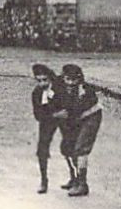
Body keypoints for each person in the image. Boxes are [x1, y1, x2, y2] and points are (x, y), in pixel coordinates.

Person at [57, 63, 102, 197]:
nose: (71, 83)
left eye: (74, 80)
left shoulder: (85, 91)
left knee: (80, 148)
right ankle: (74, 178)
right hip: (74, 117)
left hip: (90, 117)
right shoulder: (58, 87)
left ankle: (83, 184)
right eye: (67, 79)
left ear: (79, 79)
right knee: (66, 147)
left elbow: (75, 111)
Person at [30, 64, 67, 193]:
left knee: (69, 146)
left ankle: (75, 178)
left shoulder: (60, 87)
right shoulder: (37, 93)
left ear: (50, 78)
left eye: (45, 80)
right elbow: (38, 115)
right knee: (42, 148)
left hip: (65, 119)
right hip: (49, 119)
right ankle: (44, 180)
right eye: (39, 80)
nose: (42, 83)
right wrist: (54, 115)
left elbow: (69, 105)